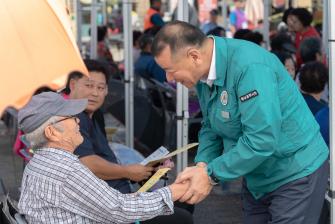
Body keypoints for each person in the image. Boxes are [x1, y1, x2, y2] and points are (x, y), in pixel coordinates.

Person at [152, 21, 329, 224]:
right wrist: (202, 165)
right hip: (257, 176)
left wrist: (209, 174)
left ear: (194, 56)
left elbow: (261, 139)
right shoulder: (203, 71)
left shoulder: (249, 67)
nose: (168, 78)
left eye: (170, 70)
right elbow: (211, 125)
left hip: (295, 172)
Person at [17, 92, 189, 223]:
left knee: (178, 212)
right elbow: (119, 209)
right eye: (70, 117)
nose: (78, 121)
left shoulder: (40, 160)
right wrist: (172, 192)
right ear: (51, 132)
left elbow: (111, 204)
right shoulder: (66, 169)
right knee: (181, 217)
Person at [68, 59, 194, 223]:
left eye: (100, 87)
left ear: (107, 90)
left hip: (123, 197)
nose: (95, 93)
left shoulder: (95, 115)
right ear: (72, 85)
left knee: (185, 198)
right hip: (110, 209)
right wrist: (128, 171)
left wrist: (145, 170)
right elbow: (88, 163)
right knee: (181, 217)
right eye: (89, 85)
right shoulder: (72, 119)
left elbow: (105, 160)